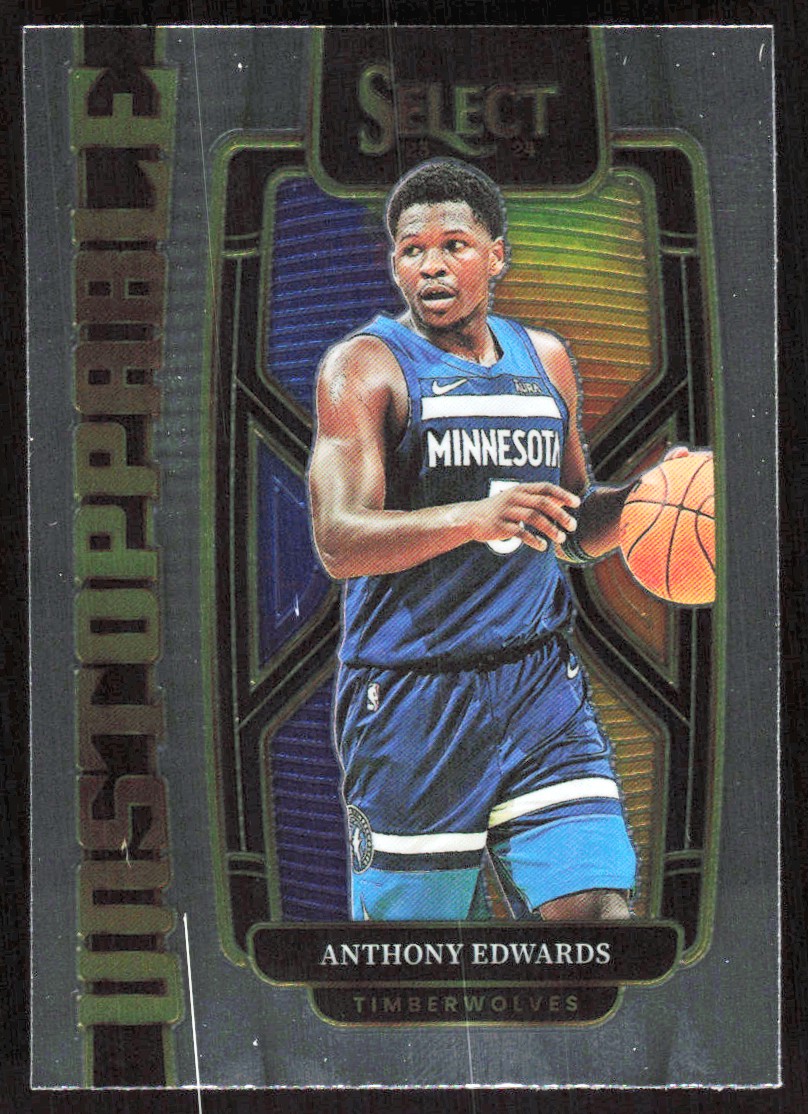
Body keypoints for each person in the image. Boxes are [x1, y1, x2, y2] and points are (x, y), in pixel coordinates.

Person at [308, 158, 684, 923]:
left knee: (599, 921)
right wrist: (475, 517)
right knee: (417, 958)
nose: (431, 266)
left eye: (454, 245)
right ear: (395, 265)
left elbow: (568, 520)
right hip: (413, 697)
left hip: (537, 683)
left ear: (497, 255)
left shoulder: (545, 359)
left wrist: (647, 504)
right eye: (412, 250)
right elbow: (338, 540)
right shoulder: (364, 368)